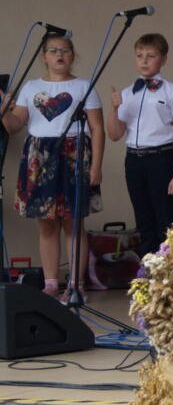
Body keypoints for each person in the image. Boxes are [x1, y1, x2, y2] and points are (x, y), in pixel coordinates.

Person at [1, 35, 104, 298]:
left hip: (74, 154)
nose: (60, 55)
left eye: (65, 50)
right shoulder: (31, 87)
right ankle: (50, 283)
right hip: (39, 156)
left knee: (73, 222)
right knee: (46, 223)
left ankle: (75, 284)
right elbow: (14, 125)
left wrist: (96, 166)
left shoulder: (84, 86)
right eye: (53, 50)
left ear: (73, 55)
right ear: (43, 56)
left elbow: (97, 128)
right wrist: (3, 110)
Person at [105, 33, 173, 261]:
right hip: (134, 159)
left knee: (165, 219)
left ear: (163, 60)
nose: (144, 61)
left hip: (162, 157)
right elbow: (114, 134)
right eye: (139, 55)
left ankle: (170, 270)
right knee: (143, 219)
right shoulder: (127, 93)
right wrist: (114, 109)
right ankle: (149, 270)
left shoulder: (172, 91)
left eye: (150, 56)